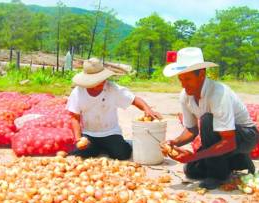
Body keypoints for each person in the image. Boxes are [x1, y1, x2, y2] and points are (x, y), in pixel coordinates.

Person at [162, 47, 259, 189]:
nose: (183, 84)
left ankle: (218, 176)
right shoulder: (185, 95)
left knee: (207, 120)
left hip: (245, 136)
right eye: (180, 79)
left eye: (188, 79)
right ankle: (239, 161)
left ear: (201, 74)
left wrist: (194, 156)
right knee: (192, 170)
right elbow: (191, 130)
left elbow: (229, 141)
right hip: (221, 137)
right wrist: (174, 143)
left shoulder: (218, 93)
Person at [67, 57, 161, 160]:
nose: (102, 83)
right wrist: (78, 138)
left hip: (110, 132)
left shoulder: (113, 89)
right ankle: (99, 147)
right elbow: (74, 117)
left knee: (122, 154)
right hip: (89, 134)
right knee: (80, 153)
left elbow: (134, 99)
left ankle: (119, 144)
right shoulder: (78, 92)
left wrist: (147, 109)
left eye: (102, 80)